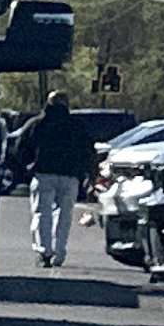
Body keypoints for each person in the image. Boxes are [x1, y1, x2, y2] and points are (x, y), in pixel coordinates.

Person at [9, 91, 99, 266]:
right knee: (64, 215)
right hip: (70, 175)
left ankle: (44, 251)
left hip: (44, 174)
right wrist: (89, 173)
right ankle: (59, 252)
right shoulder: (77, 125)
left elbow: (20, 148)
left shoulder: (38, 123)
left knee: (42, 213)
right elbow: (88, 151)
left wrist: (25, 169)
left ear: (48, 103)